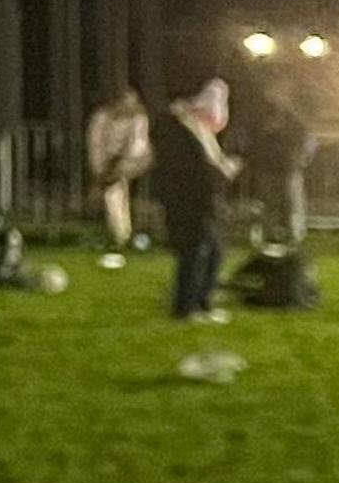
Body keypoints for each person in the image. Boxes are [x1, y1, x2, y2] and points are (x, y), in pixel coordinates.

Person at [146, 79, 238, 321]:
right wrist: (219, 172)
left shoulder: (193, 128)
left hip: (200, 199)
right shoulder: (174, 128)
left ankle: (202, 302)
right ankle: (186, 306)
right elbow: (187, 169)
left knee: (212, 251)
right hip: (186, 199)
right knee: (194, 251)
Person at [235, 82, 317, 252]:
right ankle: (270, 234)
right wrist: (250, 156)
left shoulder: (293, 118)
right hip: (266, 166)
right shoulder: (259, 116)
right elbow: (248, 138)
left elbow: (307, 138)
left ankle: (293, 234)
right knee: (269, 202)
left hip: (288, 166)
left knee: (290, 202)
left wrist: (303, 157)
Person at [84, 85, 151, 269]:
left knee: (116, 192)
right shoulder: (101, 117)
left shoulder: (138, 118)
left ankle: (122, 236)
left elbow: (137, 146)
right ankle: (120, 235)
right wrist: (101, 170)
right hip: (107, 164)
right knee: (113, 194)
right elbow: (95, 143)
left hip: (134, 162)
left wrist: (119, 167)